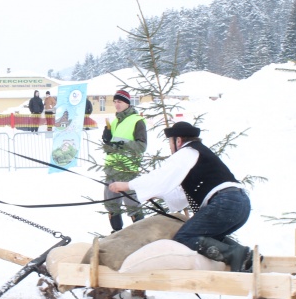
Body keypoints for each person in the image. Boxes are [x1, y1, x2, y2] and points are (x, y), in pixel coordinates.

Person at [108, 121, 253, 272]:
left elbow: (160, 177)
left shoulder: (187, 152)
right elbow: (181, 195)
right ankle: (247, 257)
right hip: (240, 204)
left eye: (170, 142)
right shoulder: (198, 154)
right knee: (210, 237)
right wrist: (154, 193)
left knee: (184, 237)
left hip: (226, 203)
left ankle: (236, 255)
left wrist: (126, 185)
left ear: (178, 140)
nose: (170, 147)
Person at [101, 89, 147, 232]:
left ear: (127, 103)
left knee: (132, 205)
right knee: (111, 205)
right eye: (115, 102)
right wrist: (107, 141)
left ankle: (140, 235)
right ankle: (117, 234)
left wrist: (121, 144)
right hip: (111, 169)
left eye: (119, 102)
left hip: (128, 170)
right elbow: (111, 148)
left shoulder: (137, 121)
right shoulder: (114, 122)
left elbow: (141, 146)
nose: (117, 105)